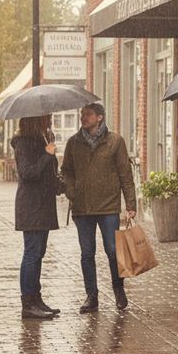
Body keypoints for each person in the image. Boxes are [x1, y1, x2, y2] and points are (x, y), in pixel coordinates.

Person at [61, 103, 137, 313]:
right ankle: (91, 296)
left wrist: (131, 204)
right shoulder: (73, 143)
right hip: (82, 207)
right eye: (82, 114)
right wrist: (71, 189)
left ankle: (118, 289)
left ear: (100, 118)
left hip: (108, 206)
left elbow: (125, 174)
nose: (83, 117)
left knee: (113, 251)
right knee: (87, 253)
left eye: (88, 114)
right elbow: (66, 170)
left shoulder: (114, 141)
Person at [12, 115, 62, 320]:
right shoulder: (23, 143)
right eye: (47, 117)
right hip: (31, 206)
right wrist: (47, 155)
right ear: (36, 120)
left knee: (39, 253)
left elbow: (46, 174)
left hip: (43, 205)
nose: (50, 120)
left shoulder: (42, 139)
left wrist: (60, 185)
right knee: (31, 253)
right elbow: (28, 173)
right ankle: (28, 303)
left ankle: (36, 298)